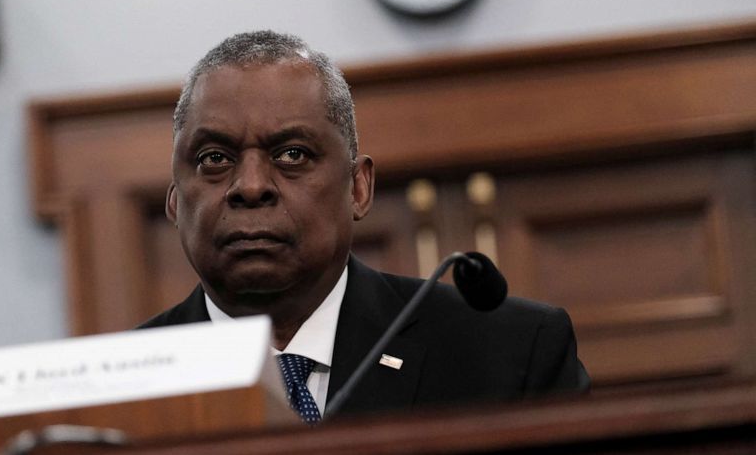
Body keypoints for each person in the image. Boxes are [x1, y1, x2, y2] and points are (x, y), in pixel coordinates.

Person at [139, 30, 590, 423]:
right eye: (214, 158)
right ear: (176, 202)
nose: (251, 186)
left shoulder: (512, 353)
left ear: (358, 188)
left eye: (292, 154)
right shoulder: (121, 386)